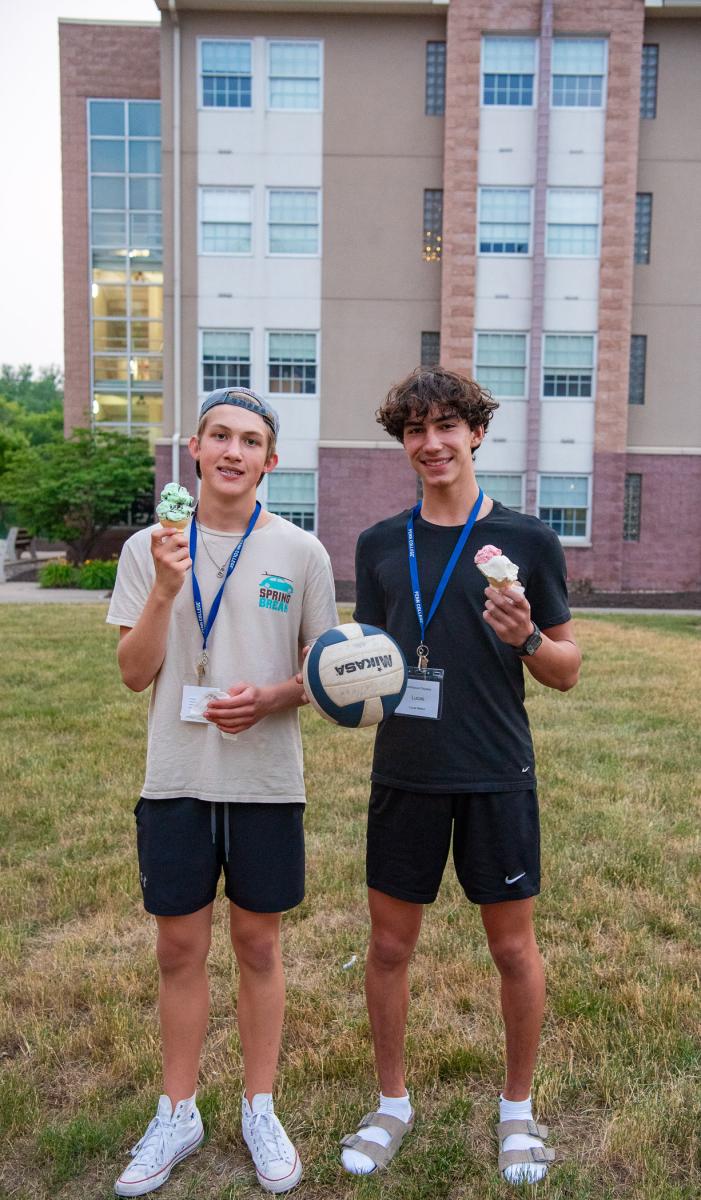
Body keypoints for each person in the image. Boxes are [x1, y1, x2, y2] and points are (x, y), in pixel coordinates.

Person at [341, 366, 581, 1186]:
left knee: (512, 949)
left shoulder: (527, 541)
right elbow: (365, 664)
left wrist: (525, 639)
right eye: (414, 430)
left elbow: (567, 668)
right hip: (404, 771)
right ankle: (391, 1104)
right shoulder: (379, 545)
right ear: (402, 443)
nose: (431, 443)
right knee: (387, 945)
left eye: (447, 425)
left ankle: (516, 1111)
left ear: (476, 433)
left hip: (493, 770)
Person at [107, 387, 337, 1197]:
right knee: (178, 949)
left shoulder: (302, 553)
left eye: (250, 441)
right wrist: (167, 588)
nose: (234, 452)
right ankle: (178, 1111)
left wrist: (269, 698)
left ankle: (258, 1103)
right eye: (219, 437)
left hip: (267, 782)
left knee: (258, 945)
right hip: (176, 778)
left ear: (270, 461)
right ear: (194, 451)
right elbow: (136, 675)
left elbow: (323, 671)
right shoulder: (151, 548)